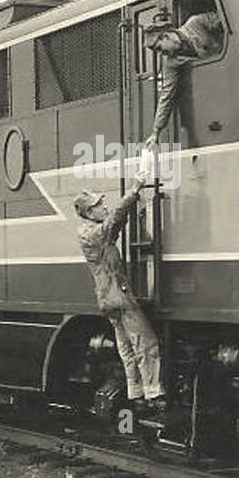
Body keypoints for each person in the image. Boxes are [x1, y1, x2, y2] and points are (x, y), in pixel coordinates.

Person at [73, 170, 165, 411]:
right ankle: (153, 392)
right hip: (119, 297)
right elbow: (114, 220)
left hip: (107, 299)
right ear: (89, 212)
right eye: (99, 205)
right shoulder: (93, 233)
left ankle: (135, 391)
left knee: (125, 346)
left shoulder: (89, 233)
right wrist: (135, 190)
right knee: (146, 342)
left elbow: (114, 224)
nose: (104, 206)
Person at [139, 8, 225, 146]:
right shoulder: (171, 62)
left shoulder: (196, 22)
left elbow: (228, 22)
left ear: (165, 36)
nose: (162, 53)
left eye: (160, 48)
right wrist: (156, 132)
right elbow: (166, 95)